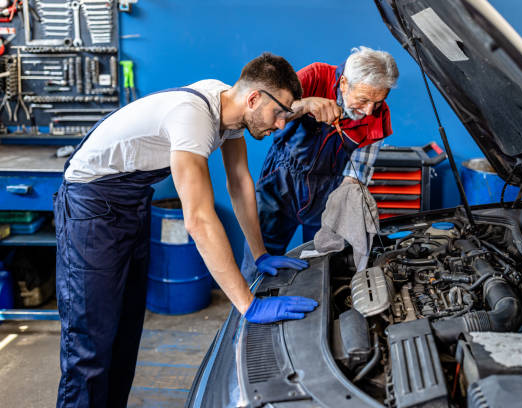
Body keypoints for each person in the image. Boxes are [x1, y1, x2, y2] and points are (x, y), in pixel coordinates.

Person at [53, 53, 318, 408]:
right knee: (90, 344)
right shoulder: (193, 118)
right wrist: (248, 304)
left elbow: (239, 184)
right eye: (280, 112)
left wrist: (259, 254)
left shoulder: (228, 107)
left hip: (130, 203)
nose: (282, 125)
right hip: (90, 206)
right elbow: (199, 219)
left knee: (124, 334)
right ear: (254, 98)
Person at [242, 46, 398, 279]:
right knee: (259, 260)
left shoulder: (378, 114)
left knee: (322, 263)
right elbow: (265, 113)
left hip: (328, 192)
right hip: (280, 183)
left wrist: (348, 196)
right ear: (344, 83)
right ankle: (249, 310)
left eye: (377, 102)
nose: (369, 111)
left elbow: (358, 169)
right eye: (364, 100)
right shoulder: (314, 76)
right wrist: (305, 105)